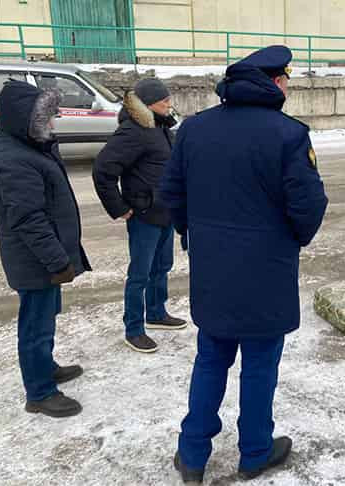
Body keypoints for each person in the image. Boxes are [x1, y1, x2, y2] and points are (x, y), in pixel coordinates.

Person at [160, 45, 328, 482]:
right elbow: (308, 206)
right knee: (258, 366)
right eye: (287, 79)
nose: (288, 86)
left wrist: (197, 235)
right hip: (266, 273)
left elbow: (172, 195)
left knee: (210, 359)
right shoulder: (289, 135)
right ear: (275, 82)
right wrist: (291, 240)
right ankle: (255, 451)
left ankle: (192, 455)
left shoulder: (194, 129)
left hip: (213, 270)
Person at [0, 80, 91, 418]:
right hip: (35, 261)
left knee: (45, 318)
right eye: (46, 119)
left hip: (42, 259)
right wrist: (58, 260)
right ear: (24, 120)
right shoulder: (15, 160)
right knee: (35, 326)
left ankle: (45, 367)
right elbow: (28, 220)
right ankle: (40, 392)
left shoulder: (29, 147)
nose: (52, 124)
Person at [93, 78, 186, 353]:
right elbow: (103, 171)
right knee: (140, 275)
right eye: (164, 101)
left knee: (162, 266)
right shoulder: (133, 131)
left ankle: (156, 312)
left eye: (169, 99)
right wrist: (120, 208)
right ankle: (133, 328)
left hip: (165, 212)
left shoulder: (161, 128)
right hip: (144, 214)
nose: (170, 104)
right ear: (147, 105)